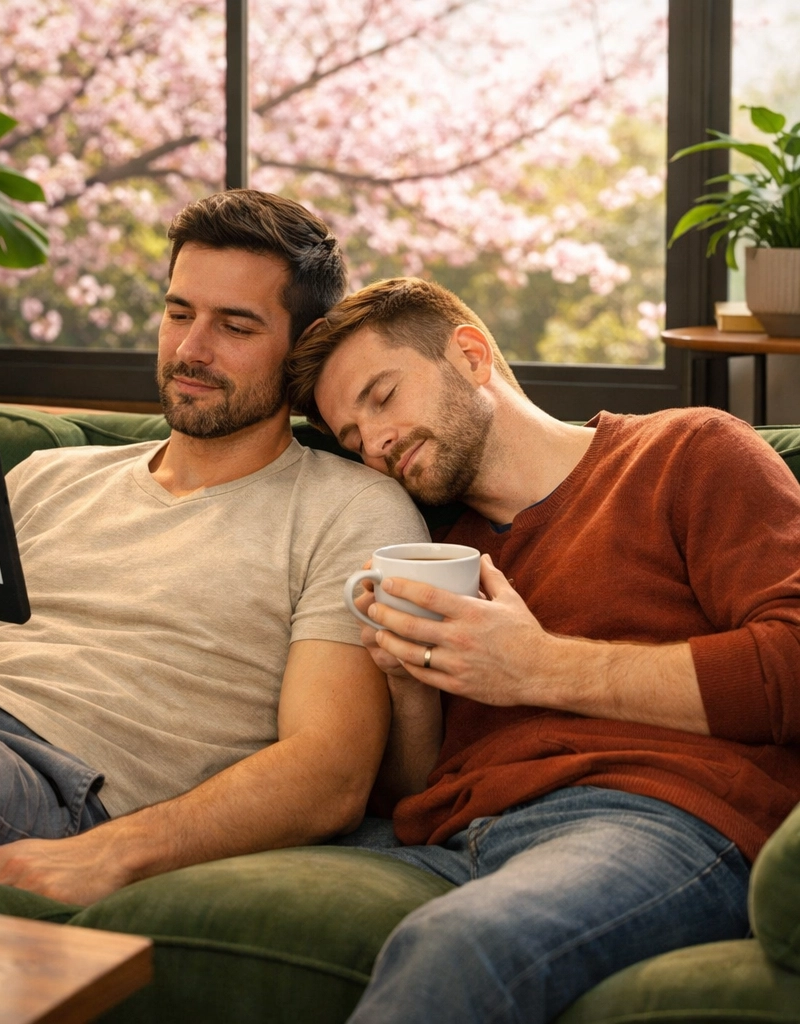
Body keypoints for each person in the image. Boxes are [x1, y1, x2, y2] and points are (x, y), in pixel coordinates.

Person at [0, 192, 428, 906]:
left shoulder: (350, 508)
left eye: (235, 326)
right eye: (178, 313)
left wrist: (110, 854)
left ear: (301, 350)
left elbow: (330, 773)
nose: (190, 350)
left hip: (51, 790)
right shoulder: (49, 478)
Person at [287, 276, 800, 1024]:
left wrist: (536, 665)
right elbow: (414, 786)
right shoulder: (436, 552)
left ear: (468, 356)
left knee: (461, 945)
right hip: (453, 835)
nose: (377, 444)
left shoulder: (686, 451)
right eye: (353, 439)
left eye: (382, 397)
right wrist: (410, 681)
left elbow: (791, 662)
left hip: (654, 818)